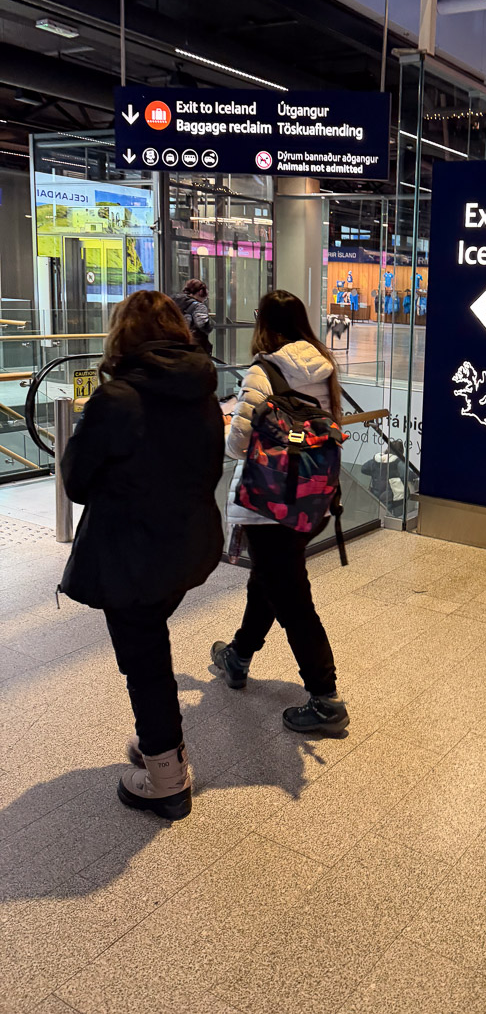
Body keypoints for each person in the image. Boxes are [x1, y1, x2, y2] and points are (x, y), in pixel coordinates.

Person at [59, 291, 225, 820]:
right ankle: (162, 741)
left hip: (132, 553)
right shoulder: (201, 389)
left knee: (144, 661)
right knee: (152, 642)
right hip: (187, 546)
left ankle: (166, 779)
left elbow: (78, 481)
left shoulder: (118, 399)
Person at [212, 290, 349, 736]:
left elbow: (237, 444)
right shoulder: (325, 366)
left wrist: (230, 420)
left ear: (266, 324)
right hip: (312, 497)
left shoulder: (264, 370)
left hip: (266, 501)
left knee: (290, 595)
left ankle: (326, 699)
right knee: (270, 581)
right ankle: (239, 655)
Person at [172, 278, 214, 355]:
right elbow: (203, 325)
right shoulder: (199, 306)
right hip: (193, 347)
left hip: (174, 344)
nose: (205, 299)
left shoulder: (173, 302)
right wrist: (211, 322)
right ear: (200, 292)